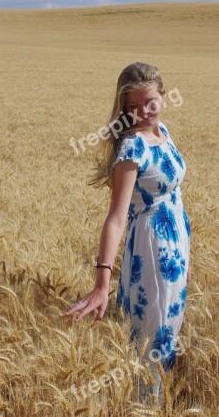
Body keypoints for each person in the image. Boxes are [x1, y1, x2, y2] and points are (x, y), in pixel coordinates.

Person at [63, 62, 191, 404]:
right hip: (151, 251)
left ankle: (155, 403)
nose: (142, 112)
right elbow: (116, 218)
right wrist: (102, 283)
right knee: (152, 341)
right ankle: (145, 407)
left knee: (168, 335)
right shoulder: (132, 148)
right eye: (132, 107)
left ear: (163, 97)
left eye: (150, 102)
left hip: (175, 246)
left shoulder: (163, 132)